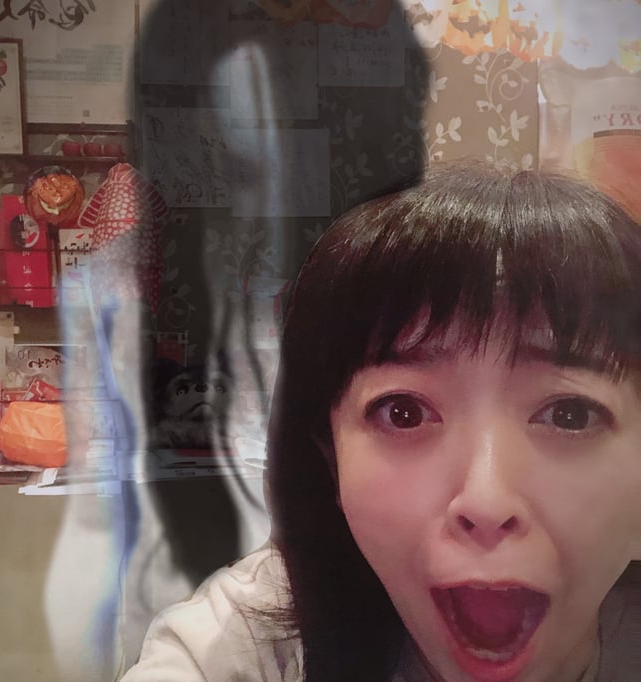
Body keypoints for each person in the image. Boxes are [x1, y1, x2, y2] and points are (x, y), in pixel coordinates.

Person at [121, 162, 641, 681]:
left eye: (570, 414)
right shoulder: (243, 649)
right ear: (331, 456)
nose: (485, 503)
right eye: (404, 412)